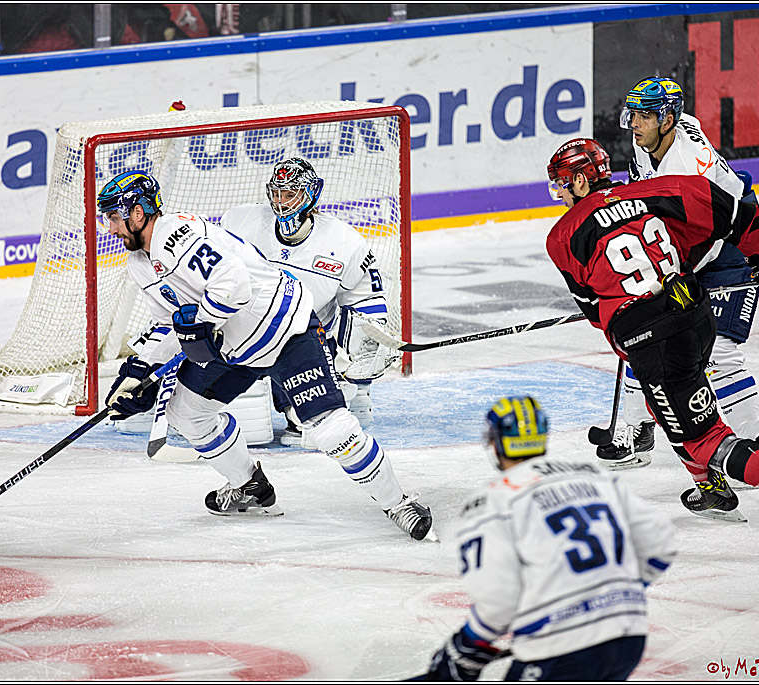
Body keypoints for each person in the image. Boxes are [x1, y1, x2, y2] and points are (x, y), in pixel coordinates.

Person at [96, 170, 433, 540]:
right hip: (235, 344)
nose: (110, 227)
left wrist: (202, 322)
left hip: (284, 328)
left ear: (139, 213)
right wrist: (139, 371)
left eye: (114, 216)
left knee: (330, 429)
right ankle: (251, 488)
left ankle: (399, 502)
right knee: (186, 412)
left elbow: (233, 285)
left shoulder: (179, 236)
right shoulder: (141, 263)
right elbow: (170, 324)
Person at [544, 137, 759, 543]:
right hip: (695, 314)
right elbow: (736, 210)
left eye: (560, 184)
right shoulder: (659, 189)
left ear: (580, 180)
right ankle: (710, 488)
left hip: (657, 337)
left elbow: (593, 308)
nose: (558, 194)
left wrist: (629, 337)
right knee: (664, 399)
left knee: (704, 438)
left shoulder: (563, 236)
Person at [424, 396, 676, 681]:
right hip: (629, 636)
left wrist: (468, 642)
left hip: (562, 646)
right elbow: (661, 543)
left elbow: (498, 601)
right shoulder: (592, 476)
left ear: (494, 443)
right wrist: (618, 595)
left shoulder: (490, 502)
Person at [598, 76, 759, 479]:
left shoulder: (692, 163)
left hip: (725, 247)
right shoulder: (650, 145)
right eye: (635, 114)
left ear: (667, 120)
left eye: (644, 115)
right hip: (685, 248)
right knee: (640, 335)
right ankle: (637, 429)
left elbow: (731, 212)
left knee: (723, 354)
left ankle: (756, 442)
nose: (634, 124)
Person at [220, 157, 399, 445]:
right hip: (244, 335)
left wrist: (372, 341)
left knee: (310, 423)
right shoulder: (241, 223)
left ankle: (356, 390)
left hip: (305, 340)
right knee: (239, 426)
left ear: (311, 194)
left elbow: (366, 299)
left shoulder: (344, 242)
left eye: (290, 194)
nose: (281, 202)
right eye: (276, 193)